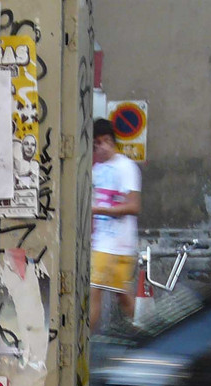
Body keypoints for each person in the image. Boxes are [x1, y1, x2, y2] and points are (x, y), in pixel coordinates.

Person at [89, 118, 141, 329]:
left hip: (117, 245)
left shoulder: (126, 167)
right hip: (103, 243)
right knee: (123, 298)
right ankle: (148, 337)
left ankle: (82, 350)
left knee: (93, 291)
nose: (98, 149)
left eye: (102, 142)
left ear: (110, 141)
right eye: (95, 145)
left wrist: (99, 210)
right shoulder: (95, 170)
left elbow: (134, 206)